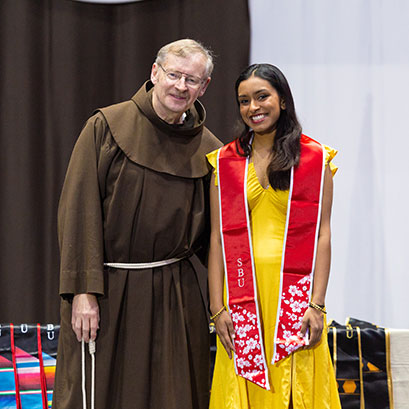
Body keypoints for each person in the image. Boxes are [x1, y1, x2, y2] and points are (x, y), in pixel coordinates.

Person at [52, 39, 222, 409]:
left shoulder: (209, 151)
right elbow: (79, 211)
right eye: (173, 75)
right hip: (108, 291)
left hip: (174, 297)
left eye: (191, 80)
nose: (180, 86)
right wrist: (83, 291)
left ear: (204, 87)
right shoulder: (106, 127)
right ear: (154, 73)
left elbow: (219, 241)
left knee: (171, 395)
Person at [206, 64, 341, 408]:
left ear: (282, 100)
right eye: (244, 101)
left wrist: (317, 305)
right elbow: (218, 239)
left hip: (294, 298)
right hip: (242, 294)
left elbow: (323, 234)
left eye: (262, 96)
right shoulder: (225, 162)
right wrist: (216, 308)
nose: (254, 107)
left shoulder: (313, 159)